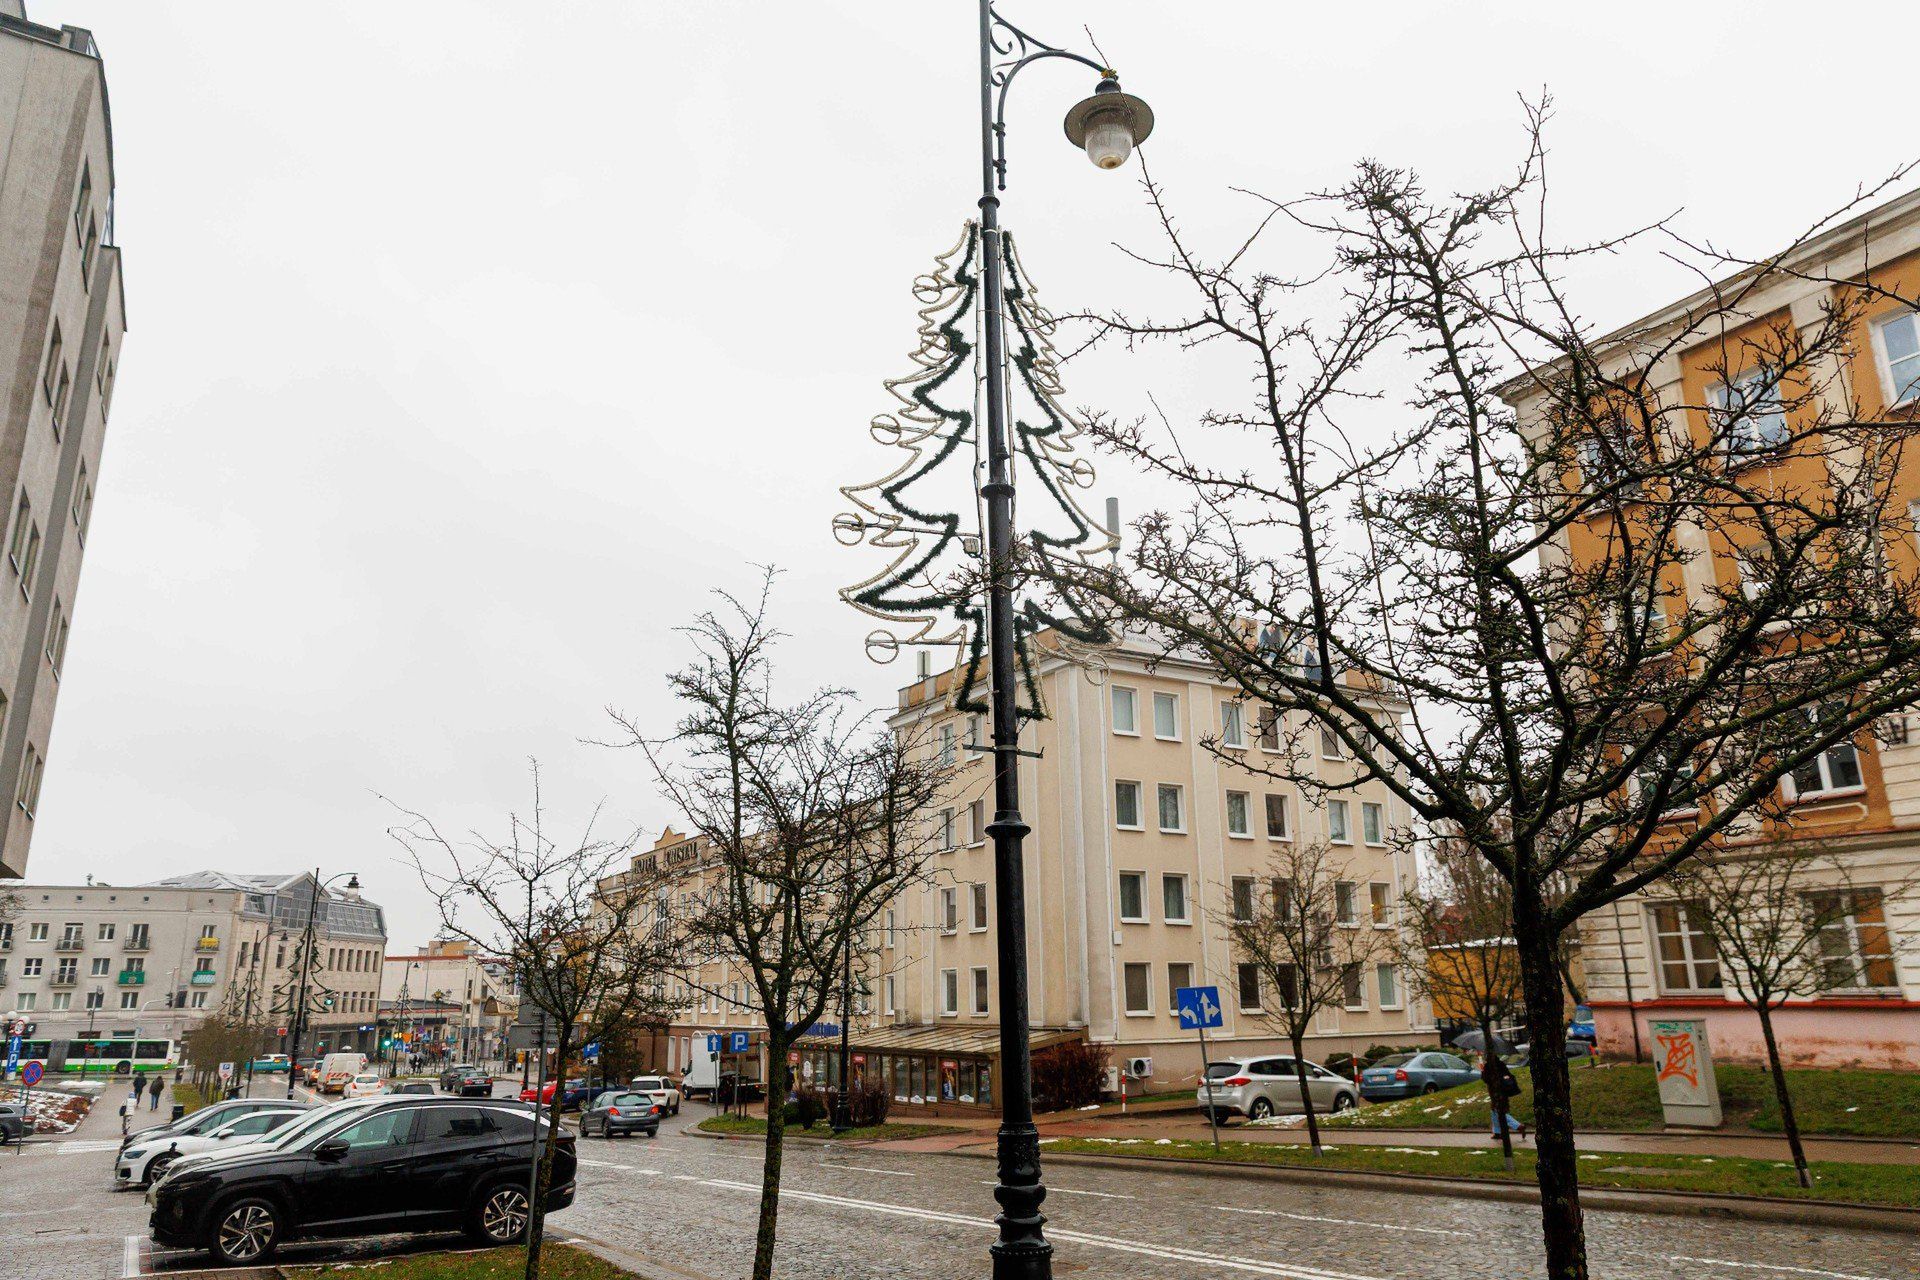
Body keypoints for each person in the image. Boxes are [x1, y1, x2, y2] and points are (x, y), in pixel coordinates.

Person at [1481, 1052, 1527, 1139]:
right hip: (1504, 1091)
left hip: (1495, 1092)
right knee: (1495, 1111)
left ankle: (1518, 1126)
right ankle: (1497, 1132)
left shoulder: (1488, 1066)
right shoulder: (1501, 1064)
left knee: (1498, 1111)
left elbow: (1486, 1079)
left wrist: (1483, 1071)